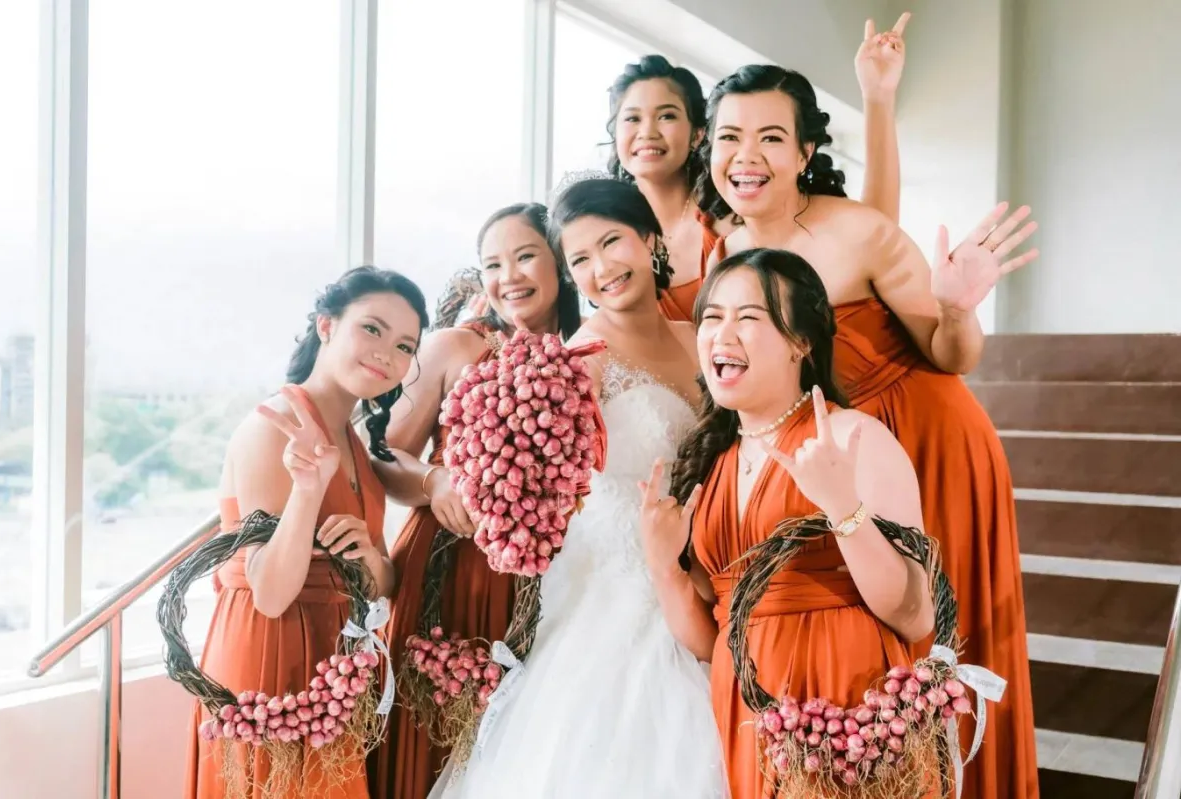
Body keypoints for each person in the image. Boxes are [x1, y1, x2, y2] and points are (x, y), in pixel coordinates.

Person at [701, 63, 1040, 799]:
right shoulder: (721, 252)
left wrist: (955, 307)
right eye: (730, 136)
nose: (747, 155)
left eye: (770, 137)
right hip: (823, 447)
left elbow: (950, 354)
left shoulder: (858, 229)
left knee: (940, 633)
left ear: (804, 152)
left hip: (924, 432)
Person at [429, 176, 726, 798]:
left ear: (649, 239)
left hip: (713, 569)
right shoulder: (577, 362)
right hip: (619, 595)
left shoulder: (698, 338)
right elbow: (522, 480)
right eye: (580, 259)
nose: (601, 269)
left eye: (611, 243)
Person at [642, 248, 935, 797]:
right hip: (748, 713)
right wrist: (664, 569)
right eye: (712, 317)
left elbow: (916, 616)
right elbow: (710, 641)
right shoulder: (709, 461)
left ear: (801, 342)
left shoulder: (853, 437)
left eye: (749, 316)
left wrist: (844, 509)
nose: (723, 333)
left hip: (843, 706)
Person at [184, 266, 429, 799]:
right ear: (326, 325)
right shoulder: (273, 428)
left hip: (330, 671)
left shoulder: (352, 439)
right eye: (372, 328)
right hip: (268, 663)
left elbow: (382, 582)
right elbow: (270, 593)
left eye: (405, 346)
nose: (387, 353)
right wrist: (308, 491)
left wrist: (369, 557)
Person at [366, 203, 583, 798]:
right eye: (492, 264)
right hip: (447, 569)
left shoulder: (586, 353)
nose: (508, 276)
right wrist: (434, 482)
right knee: (432, 736)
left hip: (543, 584)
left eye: (525, 256)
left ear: (560, 262)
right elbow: (382, 453)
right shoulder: (453, 347)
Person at [606, 13, 911, 321]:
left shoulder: (737, 205)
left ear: (699, 134)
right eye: (632, 118)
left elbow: (874, 237)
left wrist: (878, 99)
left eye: (667, 116)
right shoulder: (611, 236)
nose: (647, 131)